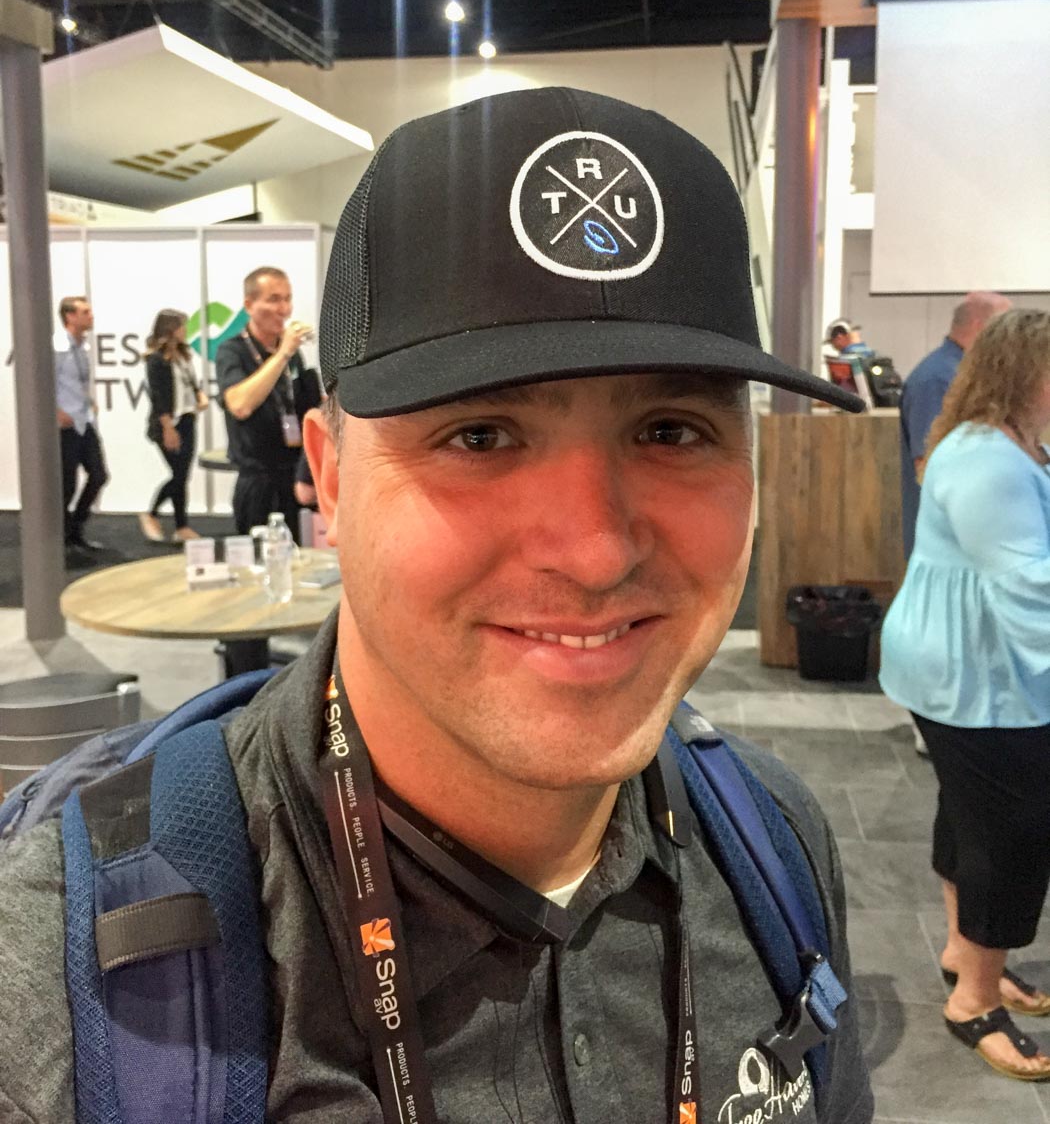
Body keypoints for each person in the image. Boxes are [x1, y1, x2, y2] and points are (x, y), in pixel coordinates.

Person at [0, 89, 873, 1122]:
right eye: (480, 436)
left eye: (672, 430)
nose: (597, 551)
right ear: (330, 477)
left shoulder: (773, 844)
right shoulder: (64, 981)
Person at [880, 308, 1050, 1083]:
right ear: (1023, 374)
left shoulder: (1003, 441)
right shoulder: (990, 460)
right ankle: (975, 1001)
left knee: (971, 815)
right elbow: (1030, 591)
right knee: (1010, 836)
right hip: (978, 678)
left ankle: (964, 952)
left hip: (956, 668)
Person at [898, 291, 1012, 560]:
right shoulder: (937, 379)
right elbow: (928, 464)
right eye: (1006, 329)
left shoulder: (966, 374)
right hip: (947, 542)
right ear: (981, 326)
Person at [215, 265, 319, 537]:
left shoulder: (292, 355)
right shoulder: (232, 350)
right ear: (249, 305)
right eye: (273, 299)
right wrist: (283, 353)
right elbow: (240, 405)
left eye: (287, 299)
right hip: (257, 479)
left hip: (293, 475)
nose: (283, 309)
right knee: (258, 557)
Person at [139, 308, 209, 543]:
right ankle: (151, 514)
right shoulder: (156, 359)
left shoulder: (183, 355)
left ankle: (181, 526)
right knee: (178, 475)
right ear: (170, 329)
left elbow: (191, 383)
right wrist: (168, 428)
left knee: (182, 475)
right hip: (168, 423)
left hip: (188, 418)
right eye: (181, 326)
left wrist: (200, 396)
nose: (185, 330)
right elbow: (158, 397)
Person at [54, 294, 109, 556]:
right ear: (70, 316)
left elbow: (77, 382)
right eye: (85, 312)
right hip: (65, 425)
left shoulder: (82, 347)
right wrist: (55, 412)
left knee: (99, 475)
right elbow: (41, 382)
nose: (91, 316)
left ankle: (75, 528)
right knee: (66, 484)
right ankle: (63, 538)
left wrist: (89, 402)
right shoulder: (57, 347)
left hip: (84, 420)